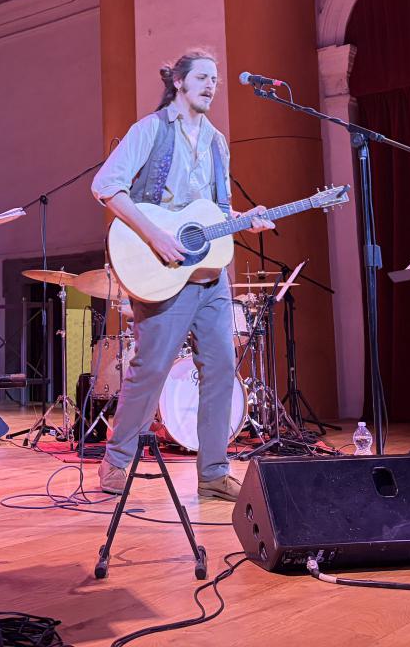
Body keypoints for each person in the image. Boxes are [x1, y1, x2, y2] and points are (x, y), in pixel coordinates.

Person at [90, 49, 275, 502]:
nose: (212, 85)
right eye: (203, 77)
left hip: (210, 273)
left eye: (215, 78)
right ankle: (116, 460)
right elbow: (105, 186)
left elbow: (215, 209)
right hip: (162, 270)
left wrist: (244, 219)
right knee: (150, 368)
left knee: (222, 368)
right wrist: (155, 236)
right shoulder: (150, 130)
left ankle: (213, 473)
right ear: (178, 81)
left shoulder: (217, 142)